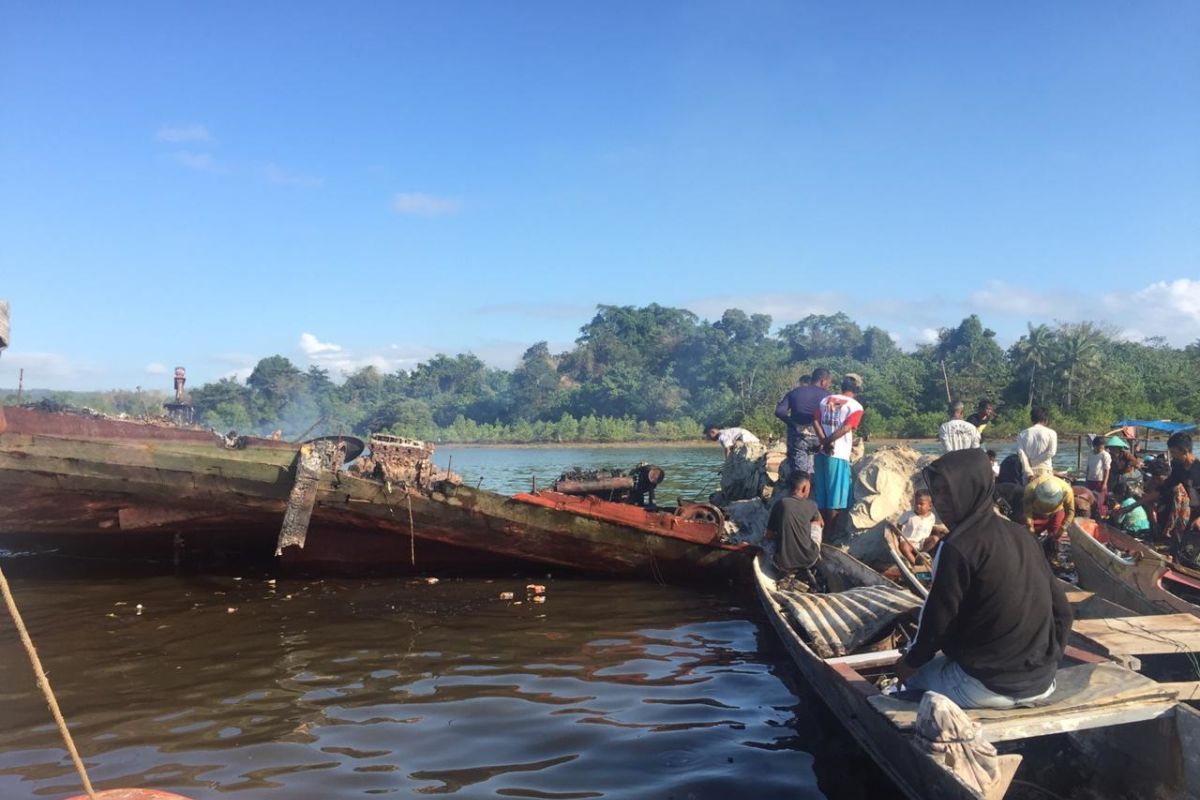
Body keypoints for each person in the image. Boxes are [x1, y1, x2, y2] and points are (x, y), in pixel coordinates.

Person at [896, 449, 1073, 709]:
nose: (940, 501)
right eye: (937, 492)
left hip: (986, 687)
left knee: (913, 677)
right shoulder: (1023, 535)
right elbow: (1063, 612)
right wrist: (1050, 659)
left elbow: (937, 622)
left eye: (948, 491)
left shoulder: (956, 546)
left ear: (971, 489)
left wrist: (908, 663)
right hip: (1042, 684)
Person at [812, 377, 864, 532]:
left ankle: (819, 531)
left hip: (821, 453)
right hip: (838, 454)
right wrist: (828, 441)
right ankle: (830, 534)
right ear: (856, 390)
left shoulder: (825, 400)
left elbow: (815, 420)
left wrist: (823, 441)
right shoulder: (855, 406)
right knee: (836, 496)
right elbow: (847, 427)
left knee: (821, 494)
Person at [765, 471, 823, 591]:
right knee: (816, 524)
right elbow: (821, 523)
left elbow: (769, 535)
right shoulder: (812, 505)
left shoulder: (780, 504)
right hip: (810, 559)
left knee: (767, 540)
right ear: (804, 487)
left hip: (783, 563)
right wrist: (809, 524)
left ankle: (784, 571)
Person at [774, 368, 832, 476]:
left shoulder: (794, 393)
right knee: (819, 472)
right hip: (820, 438)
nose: (828, 386)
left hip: (798, 438)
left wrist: (795, 425)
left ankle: (800, 487)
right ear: (823, 381)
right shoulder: (828, 397)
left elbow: (779, 411)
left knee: (800, 475)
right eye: (828, 383)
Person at [1022, 473, 1076, 564]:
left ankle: (1053, 557)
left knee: (1055, 538)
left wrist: (1062, 529)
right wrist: (1030, 525)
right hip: (1037, 513)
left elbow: (1070, 512)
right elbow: (1027, 510)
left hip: (1057, 512)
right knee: (1029, 537)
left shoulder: (1067, 491)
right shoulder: (1030, 488)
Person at [889, 489, 948, 567]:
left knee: (935, 539)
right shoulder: (908, 515)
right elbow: (898, 525)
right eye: (916, 503)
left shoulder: (931, 517)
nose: (917, 506)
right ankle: (916, 564)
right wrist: (897, 531)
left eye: (921, 504)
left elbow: (930, 528)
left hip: (922, 543)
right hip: (909, 542)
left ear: (929, 506)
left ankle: (923, 557)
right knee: (904, 546)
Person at [1158, 431, 1200, 538]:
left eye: (1173, 452)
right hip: (1187, 511)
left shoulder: (1198, 469)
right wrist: (1132, 506)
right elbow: (1163, 489)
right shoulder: (1177, 467)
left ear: (1184, 451)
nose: (1172, 456)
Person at [1015, 406, 1057, 480]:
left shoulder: (1022, 434)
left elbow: (1021, 455)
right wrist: (1034, 461)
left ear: (1032, 419)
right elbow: (1052, 452)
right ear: (1046, 419)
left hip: (1028, 474)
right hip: (1045, 472)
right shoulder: (1051, 433)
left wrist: (1029, 472)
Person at [1085, 436, 1112, 516]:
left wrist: (1104, 483)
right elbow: (1088, 467)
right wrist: (1086, 478)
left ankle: (1102, 516)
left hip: (1100, 481)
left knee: (1101, 501)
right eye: (1098, 447)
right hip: (1090, 480)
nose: (1100, 449)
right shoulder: (1090, 453)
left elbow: (1107, 470)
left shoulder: (1105, 455)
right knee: (1090, 499)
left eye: (1102, 447)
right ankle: (1092, 514)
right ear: (1094, 446)